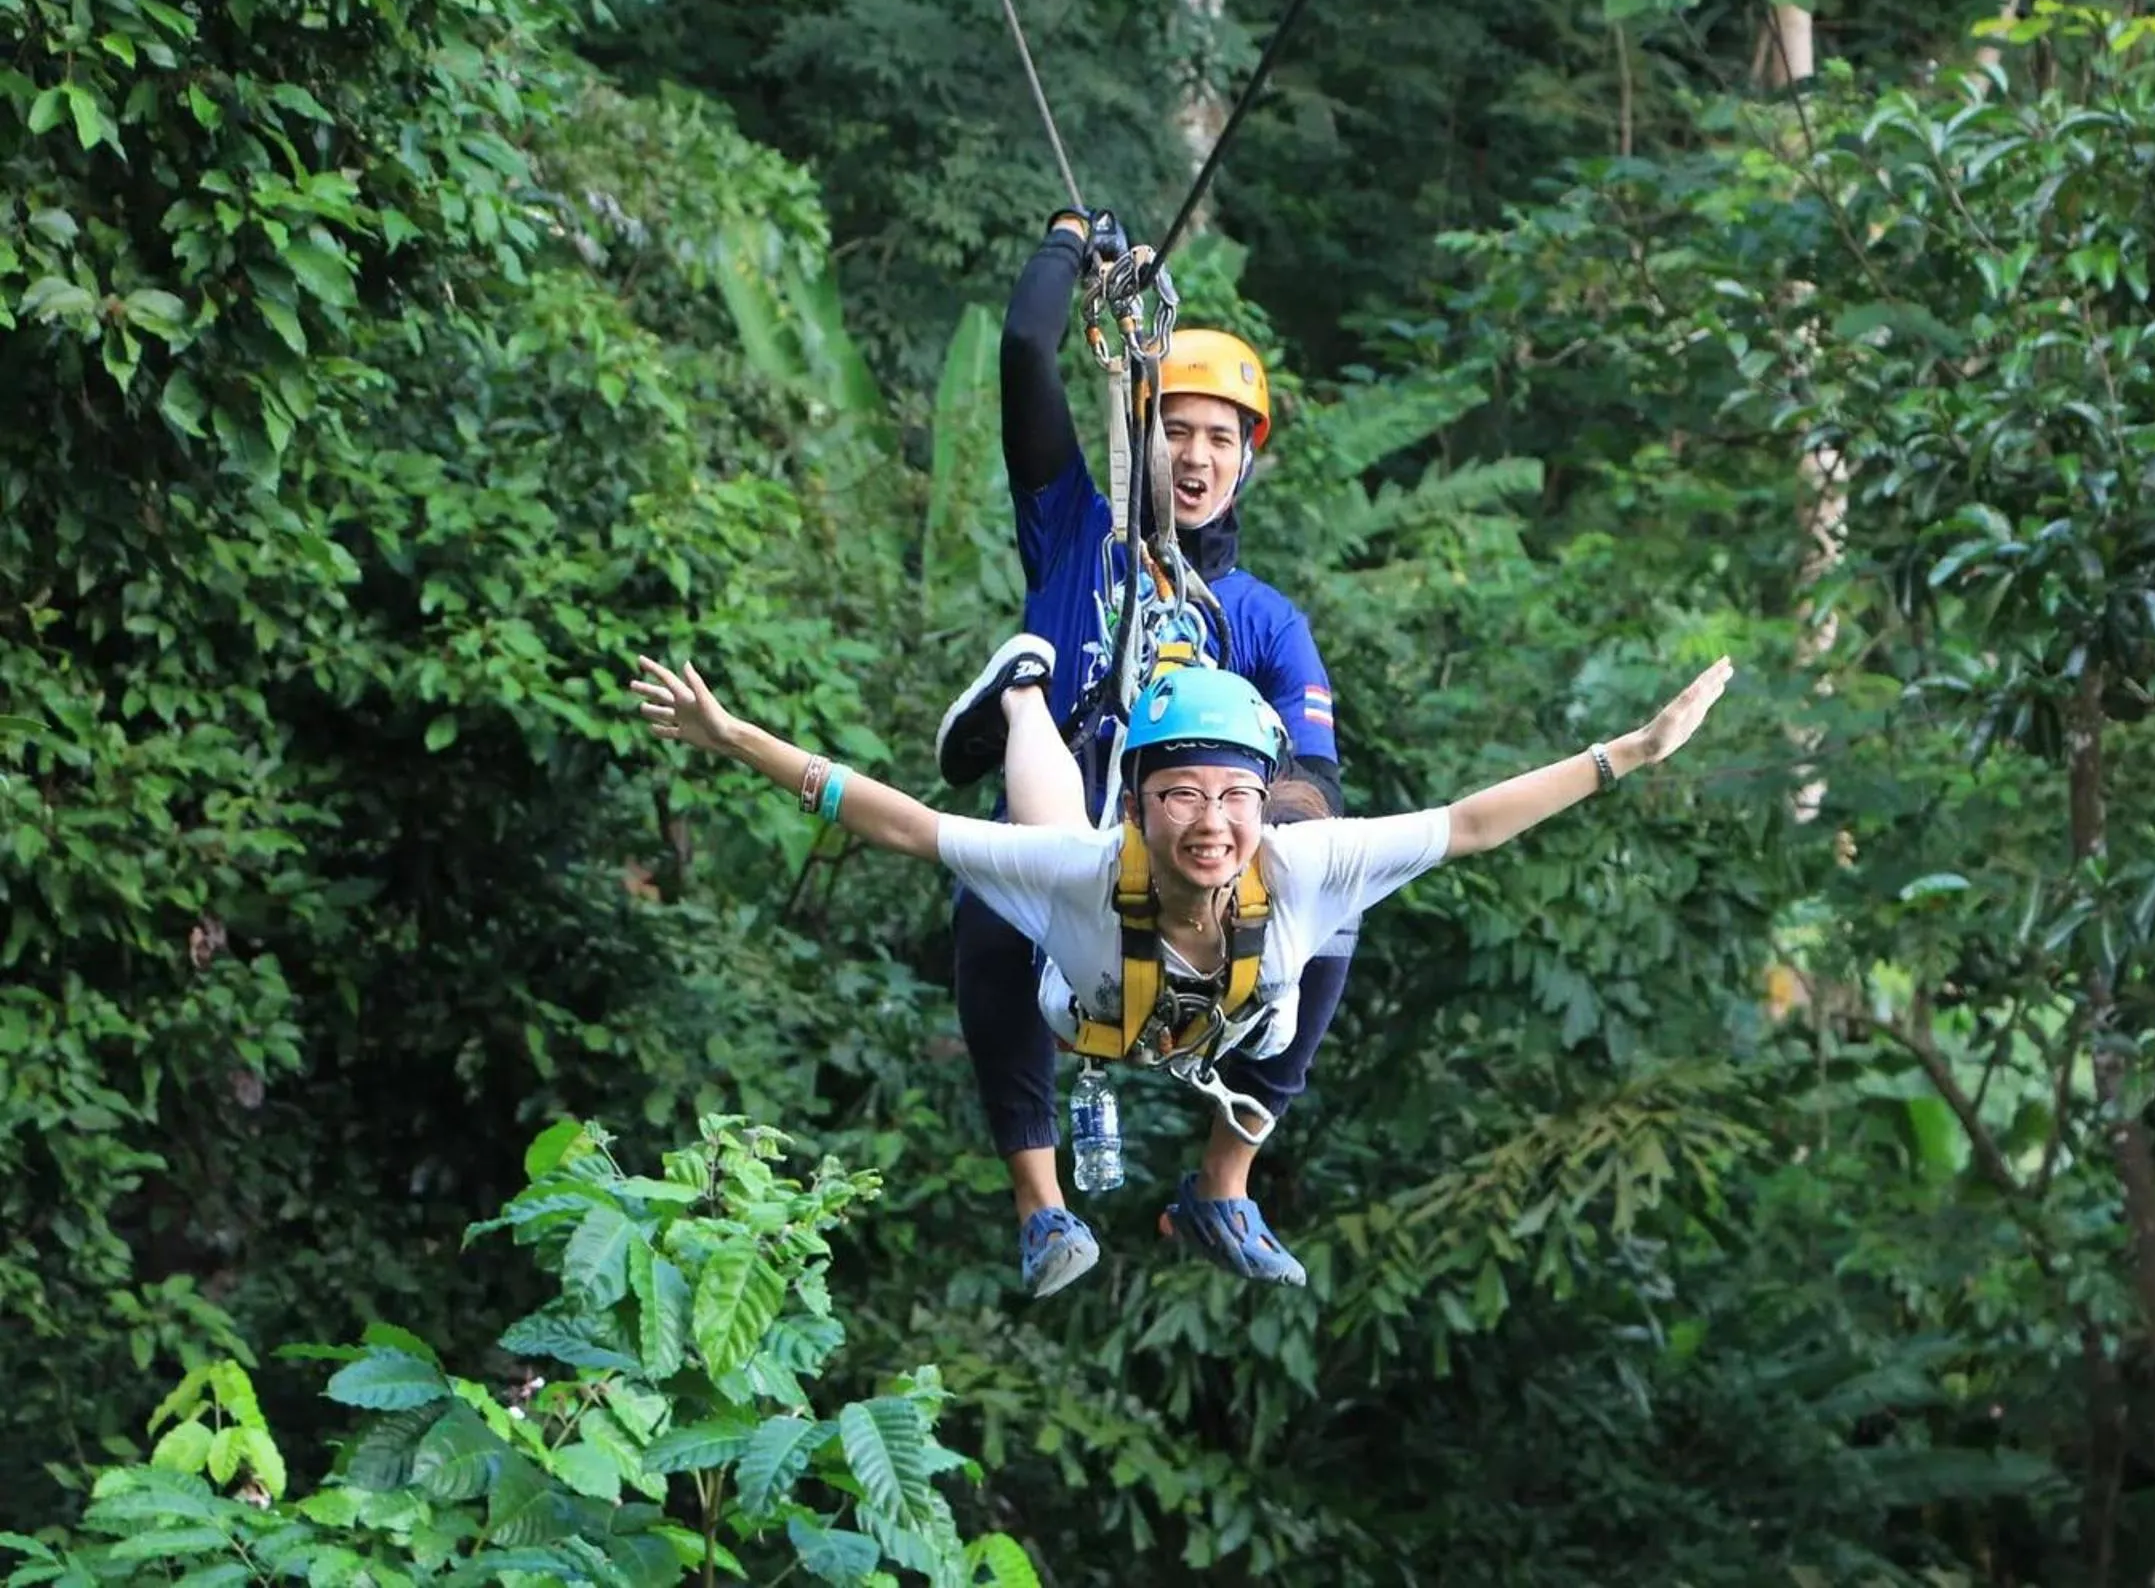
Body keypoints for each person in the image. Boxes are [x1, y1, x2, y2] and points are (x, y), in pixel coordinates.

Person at [629, 649, 1737, 1291]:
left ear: (1264, 803)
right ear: (1144, 802)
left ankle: (1223, 1190)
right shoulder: (1088, 867)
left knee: (1338, 931)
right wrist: (737, 740)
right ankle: (1022, 695)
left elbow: (1471, 823)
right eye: (1181, 795)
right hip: (1090, 1012)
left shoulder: (1300, 865)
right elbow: (909, 826)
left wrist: (1627, 753)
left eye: (1235, 797)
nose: (1211, 823)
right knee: (1023, 857)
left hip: (1236, 1039)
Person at [930, 207, 1357, 1297]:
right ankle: (1042, 1206)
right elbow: (1026, 351)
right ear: (1143, 432)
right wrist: (1072, 239)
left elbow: (1311, 778)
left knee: (1337, 908)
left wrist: (1252, 863)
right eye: (1181, 430)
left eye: (1225, 439)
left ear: (1248, 461)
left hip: (1202, 867)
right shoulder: (1078, 533)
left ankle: (1224, 1180)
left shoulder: (1261, 621)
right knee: (991, 897)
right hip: (1074, 814)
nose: (1201, 457)